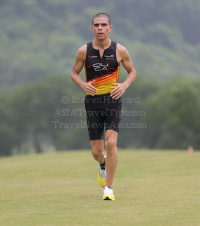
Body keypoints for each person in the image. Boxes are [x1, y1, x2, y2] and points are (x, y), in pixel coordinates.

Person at [71, 13, 136, 200]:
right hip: (92, 103)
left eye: (103, 25)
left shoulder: (120, 50)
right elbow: (74, 73)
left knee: (111, 143)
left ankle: (108, 188)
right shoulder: (83, 51)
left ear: (110, 28)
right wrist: (83, 84)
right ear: (92, 28)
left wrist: (124, 85)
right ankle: (102, 163)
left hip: (113, 100)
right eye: (96, 25)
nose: (100, 28)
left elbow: (132, 71)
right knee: (97, 151)